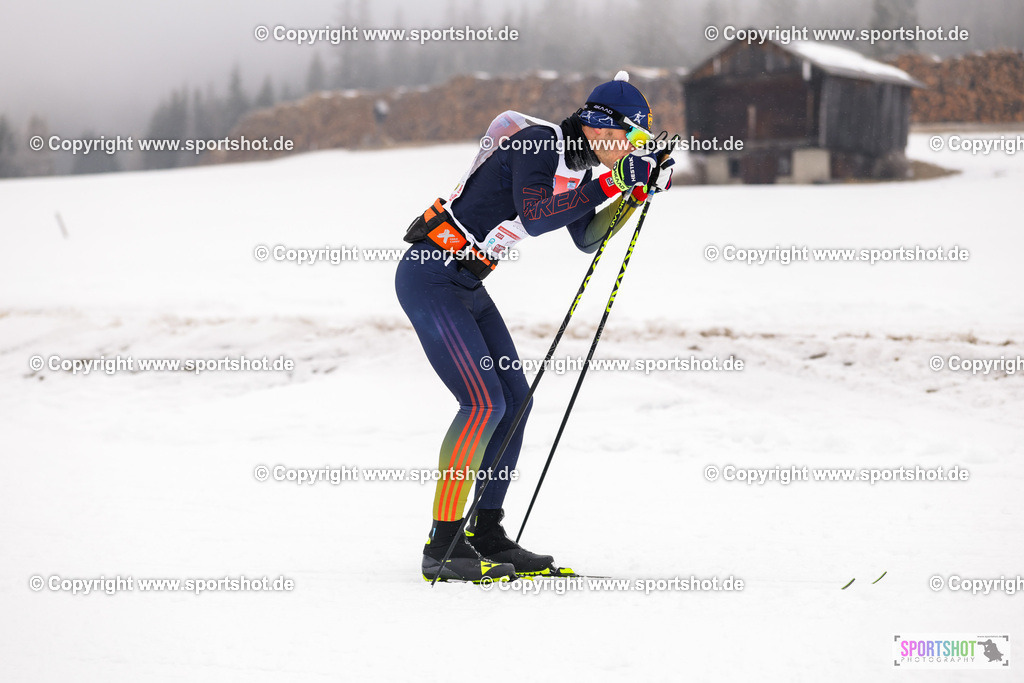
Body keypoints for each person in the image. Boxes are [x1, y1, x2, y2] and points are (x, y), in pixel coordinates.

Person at [395, 71, 673, 583]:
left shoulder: (573, 167)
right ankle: (442, 546)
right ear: (599, 126)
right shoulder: (541, 141)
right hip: (430, 275)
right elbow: (538, 214)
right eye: (633, 138)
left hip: (465, 284)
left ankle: (486, 534)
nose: (636, 147)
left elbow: (586, 237)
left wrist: (634, 194)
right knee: (482, 403)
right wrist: (617, 180)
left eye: (643, 143)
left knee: (515, 403)